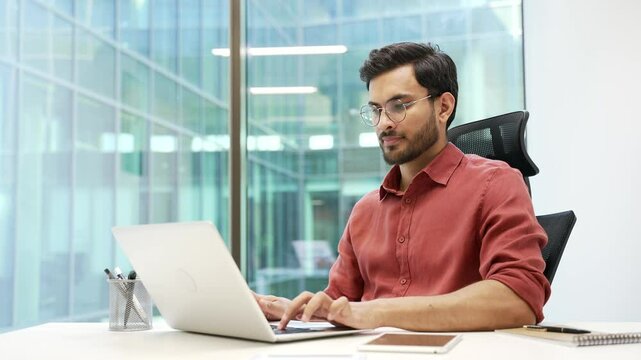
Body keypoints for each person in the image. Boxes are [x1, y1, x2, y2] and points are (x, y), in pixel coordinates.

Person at [254, 42, 550, 332]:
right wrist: (285, 309)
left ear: (443, 107)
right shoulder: (365, 211)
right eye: (376, 110)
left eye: (399, 106)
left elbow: (518, 299)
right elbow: (339, 309)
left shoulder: (495, 183)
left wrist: (377, 312)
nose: (383, 124)